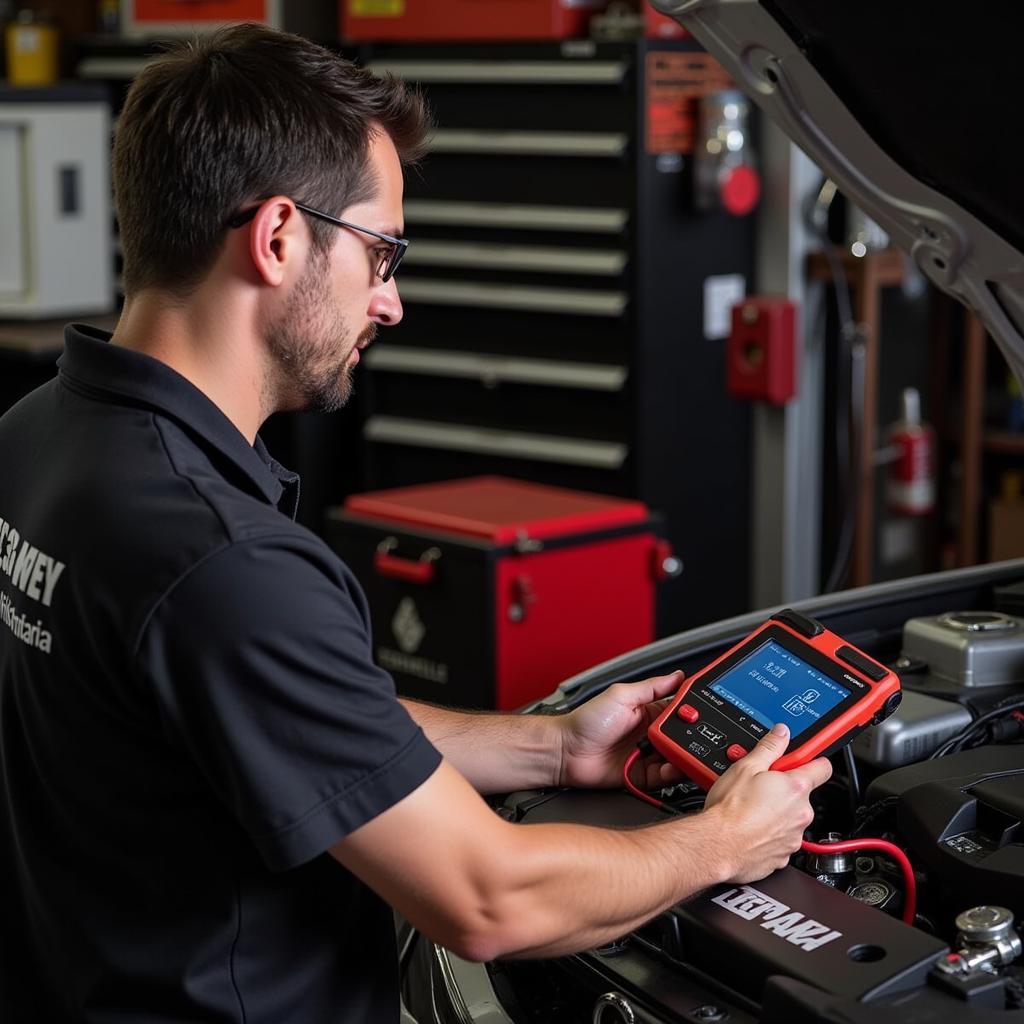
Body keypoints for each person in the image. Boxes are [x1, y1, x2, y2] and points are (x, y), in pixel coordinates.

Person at [0, 23, 831, 1024]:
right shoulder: (219, 559)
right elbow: (486, 896)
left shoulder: (41, 434)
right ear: (275, 238)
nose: (390, 302)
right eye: (380, 253)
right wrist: (725, 841)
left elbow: (288, 718)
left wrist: (554, 749)